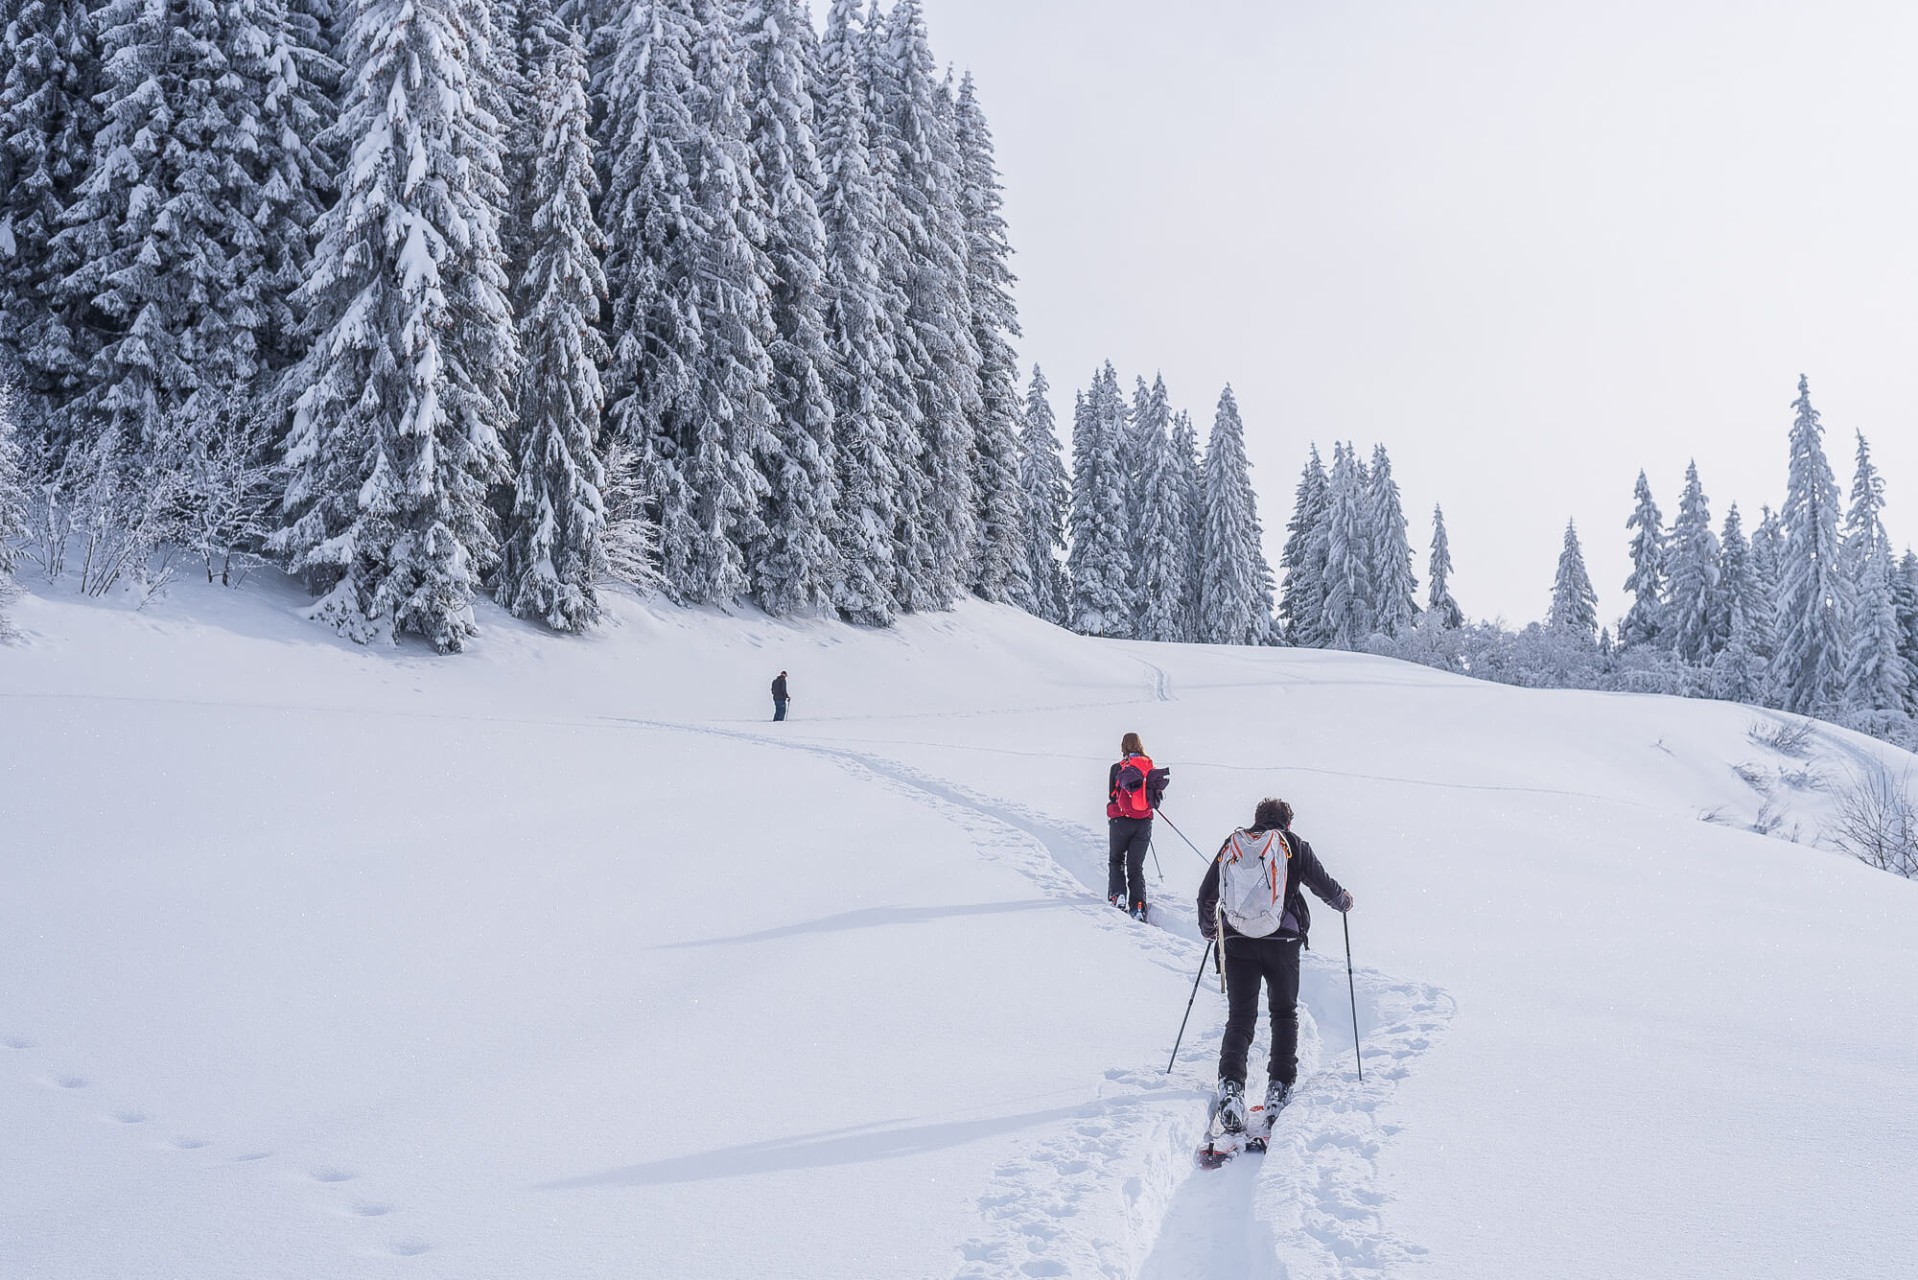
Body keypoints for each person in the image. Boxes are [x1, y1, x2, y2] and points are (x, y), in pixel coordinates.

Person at [1196, 798, 1354, 1132]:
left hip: (1236, 941)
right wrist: (1344, 902)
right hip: (1282, 942)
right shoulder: (1292, 845)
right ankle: (1278, 1090)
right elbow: (1324, 885)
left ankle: (1231, 1089)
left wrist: (1212, 930)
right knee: (1284, 1014)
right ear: (1288, 823)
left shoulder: (1235, 845)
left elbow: (1206, 894)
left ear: (1256, 820)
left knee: (1240, 1017)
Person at [1106, 733, 1169, 922]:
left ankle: (1118, 896)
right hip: (1143, 823)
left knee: (1117, 860)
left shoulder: (1118, 768)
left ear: (1123, 746)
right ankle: (1139, 906)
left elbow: (1112, 795)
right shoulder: (1149, 767)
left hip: (1121, 821)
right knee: (1135, 866)